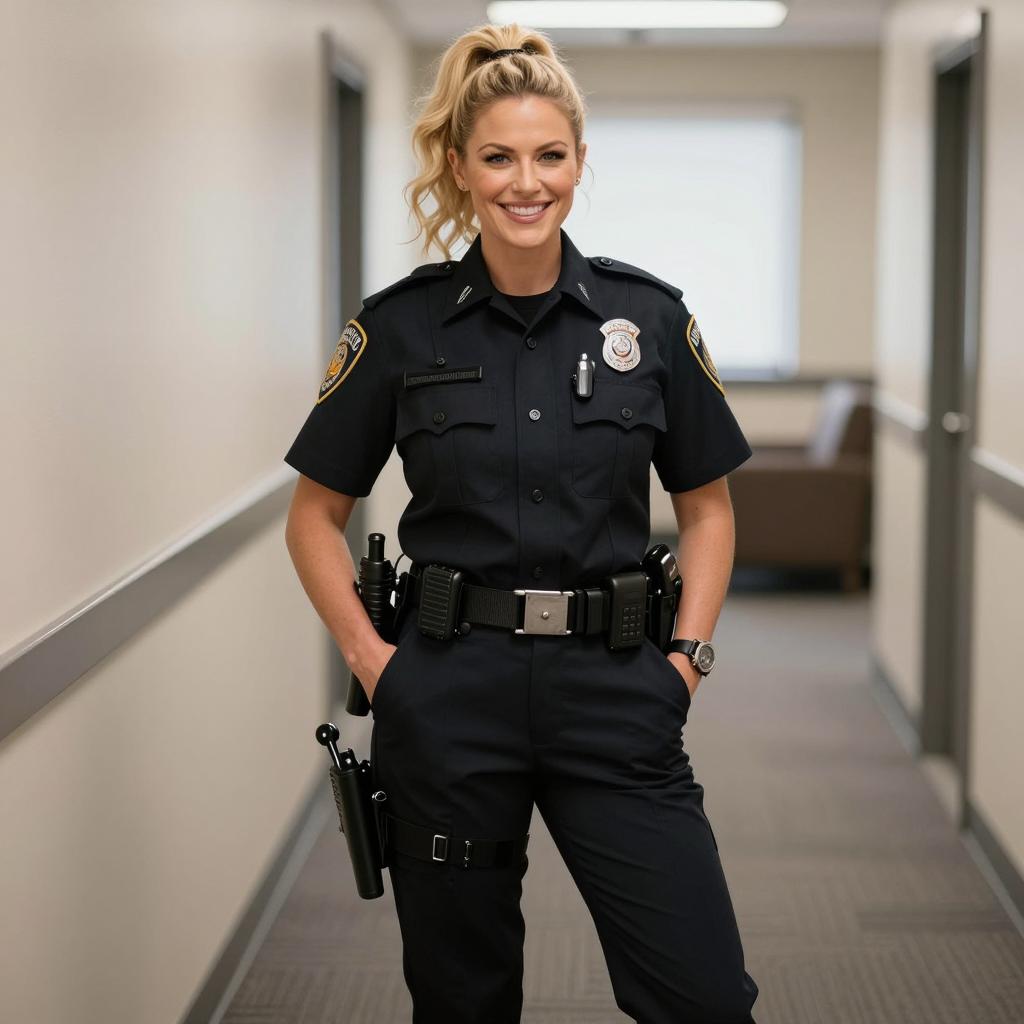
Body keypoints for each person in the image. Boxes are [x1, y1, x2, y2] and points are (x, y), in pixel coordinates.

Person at [283, 21, 760, 1024]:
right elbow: (313, 518)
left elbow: (708, 509)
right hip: (450, 694)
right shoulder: (400, 327)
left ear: (580, 162)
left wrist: (686, 662)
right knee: (465, 998)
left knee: (703, 994)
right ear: (460, 167)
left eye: (548, 155)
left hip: (616, 691)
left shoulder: (651, 322)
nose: (524, 181)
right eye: (498, 157)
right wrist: (379, 665)